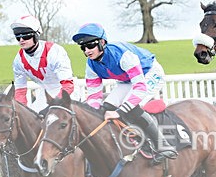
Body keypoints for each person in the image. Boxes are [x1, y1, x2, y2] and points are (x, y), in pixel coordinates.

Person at [72, 23, 176, 164]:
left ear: (102, 42)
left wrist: (120, 112)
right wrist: (92, 113)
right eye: (83, 47)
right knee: (106, 107)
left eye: (90, 46)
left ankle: (163, 146)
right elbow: (94, 96)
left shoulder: (123, 56)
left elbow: (139, 88)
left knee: (131, 108)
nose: (87, 51)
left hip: (149, 74)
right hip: (126, 80)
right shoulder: (91, 64)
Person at [11, 15, 75, 111]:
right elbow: (20, 90)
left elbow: (68, 85)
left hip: (68, 95)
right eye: (17, 36)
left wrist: (54, 104)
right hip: (44, 96)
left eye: (25, 35)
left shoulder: (55, 51)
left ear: (36, 34)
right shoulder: (18, 60)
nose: (21, 40)